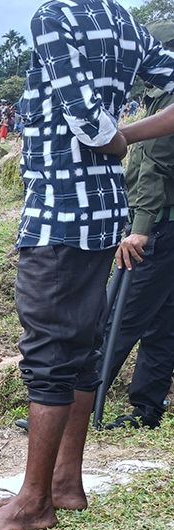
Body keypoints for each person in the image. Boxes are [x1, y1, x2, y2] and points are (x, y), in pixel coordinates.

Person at [0, 1, 174, 530]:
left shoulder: (54, 17)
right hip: (104, 207)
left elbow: (85, 116)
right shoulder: (126, 22)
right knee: (80, 346)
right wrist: (130, 133)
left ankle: (34, 501)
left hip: (61, 210)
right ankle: (65, 481)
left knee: (49, 351)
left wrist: (119, 136)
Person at [98, 21, 174, 430]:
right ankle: (147, 410)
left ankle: (78, 407)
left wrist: (140, 228)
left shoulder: (168, 98)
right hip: (166, 225)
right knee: (163, 323)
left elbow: (155, 166)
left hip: (157, 226)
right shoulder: (157, 99)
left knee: (119, 317)